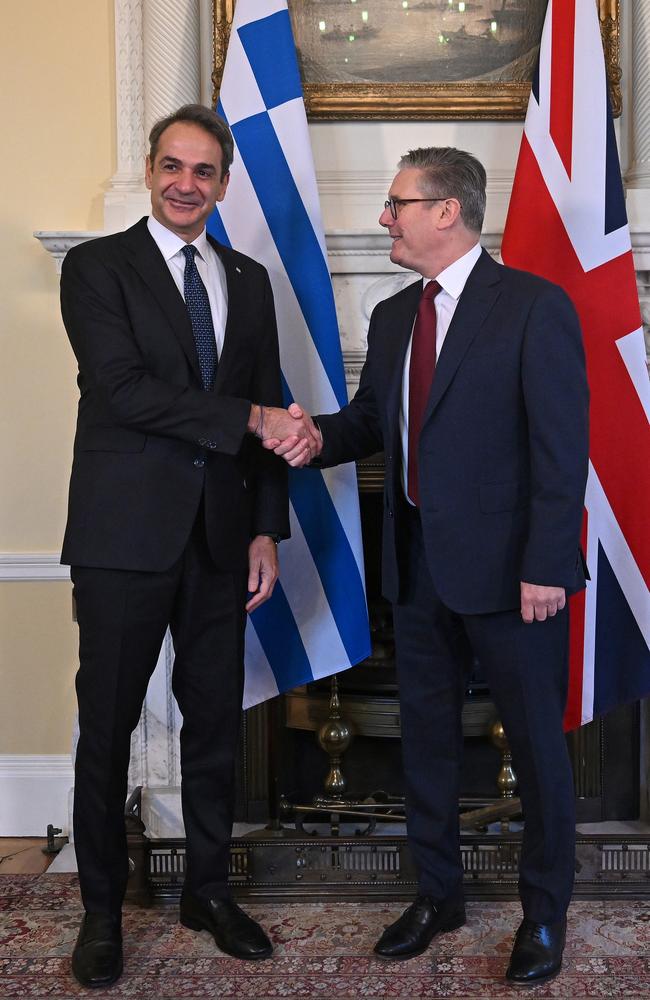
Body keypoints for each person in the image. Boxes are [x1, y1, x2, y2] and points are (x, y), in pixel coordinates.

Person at [269, 147, 589, 985]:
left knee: (539, 751)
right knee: (428, 748)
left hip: (518, 579)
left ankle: (545, 917)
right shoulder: (391, 316)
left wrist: (548, 564)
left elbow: (561, 452)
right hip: (415, 571)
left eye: (398, 203)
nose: (385, 218)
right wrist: (311, 438)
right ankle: (437, 894)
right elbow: (375, 423)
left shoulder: (532, 307)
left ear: (447, 211)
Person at [60, 104, 318, 989]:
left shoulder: (246, 279)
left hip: (220, 539)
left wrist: (264, 530)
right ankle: (101, 909)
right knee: (109, 731)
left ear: (224, 182)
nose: (185, 184)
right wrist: (250, 418)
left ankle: (208, 891)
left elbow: (267, 405)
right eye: (173, 165)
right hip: (122, 540)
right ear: (150, 166)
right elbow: (123, 390)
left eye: (203, 171)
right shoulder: (98, 268)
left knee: (215, 729)